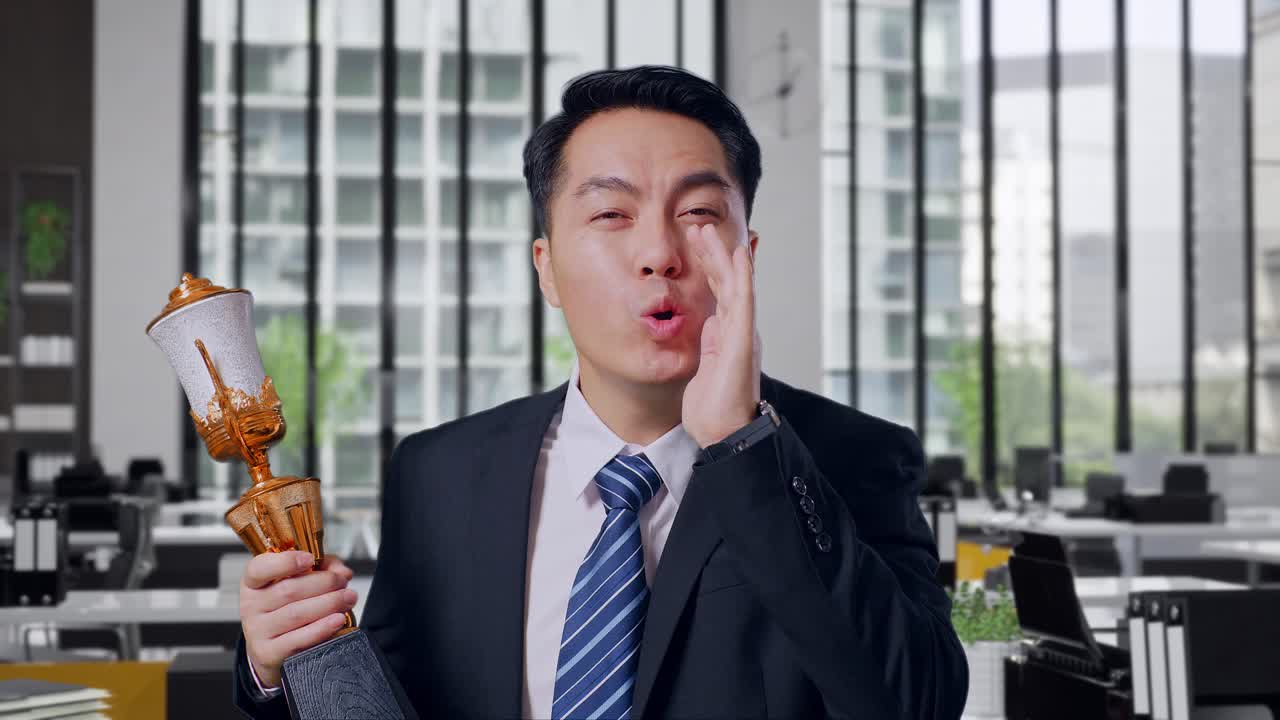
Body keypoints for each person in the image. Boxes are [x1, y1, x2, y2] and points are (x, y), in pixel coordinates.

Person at [232, 65, 968, 719]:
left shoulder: (852, 457)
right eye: (612, 214)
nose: (659, 254)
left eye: (700, 214)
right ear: (546, 269)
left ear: (746, 256)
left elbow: (917, 702)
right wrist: (283, 667)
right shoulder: (440, 473)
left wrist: (743, 446)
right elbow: (386, 704)